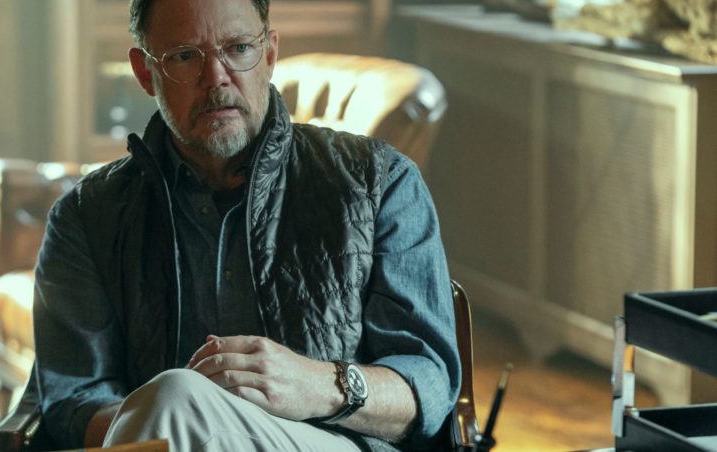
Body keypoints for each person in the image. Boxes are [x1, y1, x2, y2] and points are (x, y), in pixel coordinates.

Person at [32, 0, 460, 450]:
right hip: (166, 440)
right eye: (185, 56)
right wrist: (185, 421)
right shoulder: (86, 214)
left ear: (269, 54)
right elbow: (73, 402)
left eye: (238, 48)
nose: (216, 78)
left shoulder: (380, 181)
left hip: (337, 443)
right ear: (145, 72)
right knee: (175, 400)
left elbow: (428, 386)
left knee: (175, 398)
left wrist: (314, 385)